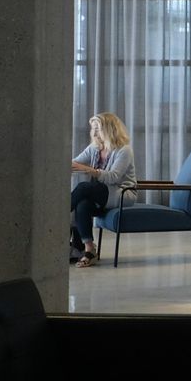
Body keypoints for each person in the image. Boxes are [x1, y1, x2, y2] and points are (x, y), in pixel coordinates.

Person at [69, 112, 137, 267]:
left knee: (83, 188)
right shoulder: (94, 147)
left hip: (122, 194)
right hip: (100, 194)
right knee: (83, 203)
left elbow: (113, 177)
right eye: (93, 129)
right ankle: (89, 249)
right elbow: (76, 162)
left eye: (97, 129)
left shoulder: (124, 150)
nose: (94, 133)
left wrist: (88, 169)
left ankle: (60, 217)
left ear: (109, 129)